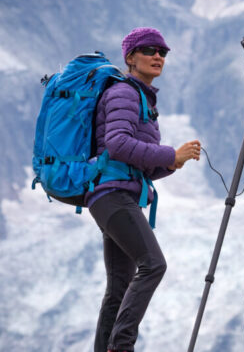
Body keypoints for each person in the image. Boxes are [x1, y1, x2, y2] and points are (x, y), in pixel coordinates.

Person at [84, 27, 201, 352]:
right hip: (113, 195)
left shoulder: (142, 99)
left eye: (163, 52)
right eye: (149, 50)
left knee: (120, 284)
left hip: (113, 194)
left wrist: (172, 162)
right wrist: (168, 154)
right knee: (153, 264)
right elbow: (118, 144)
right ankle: (121, 347)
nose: (158, 56)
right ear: (130, 57)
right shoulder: (124, 93)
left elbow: (136, 163)